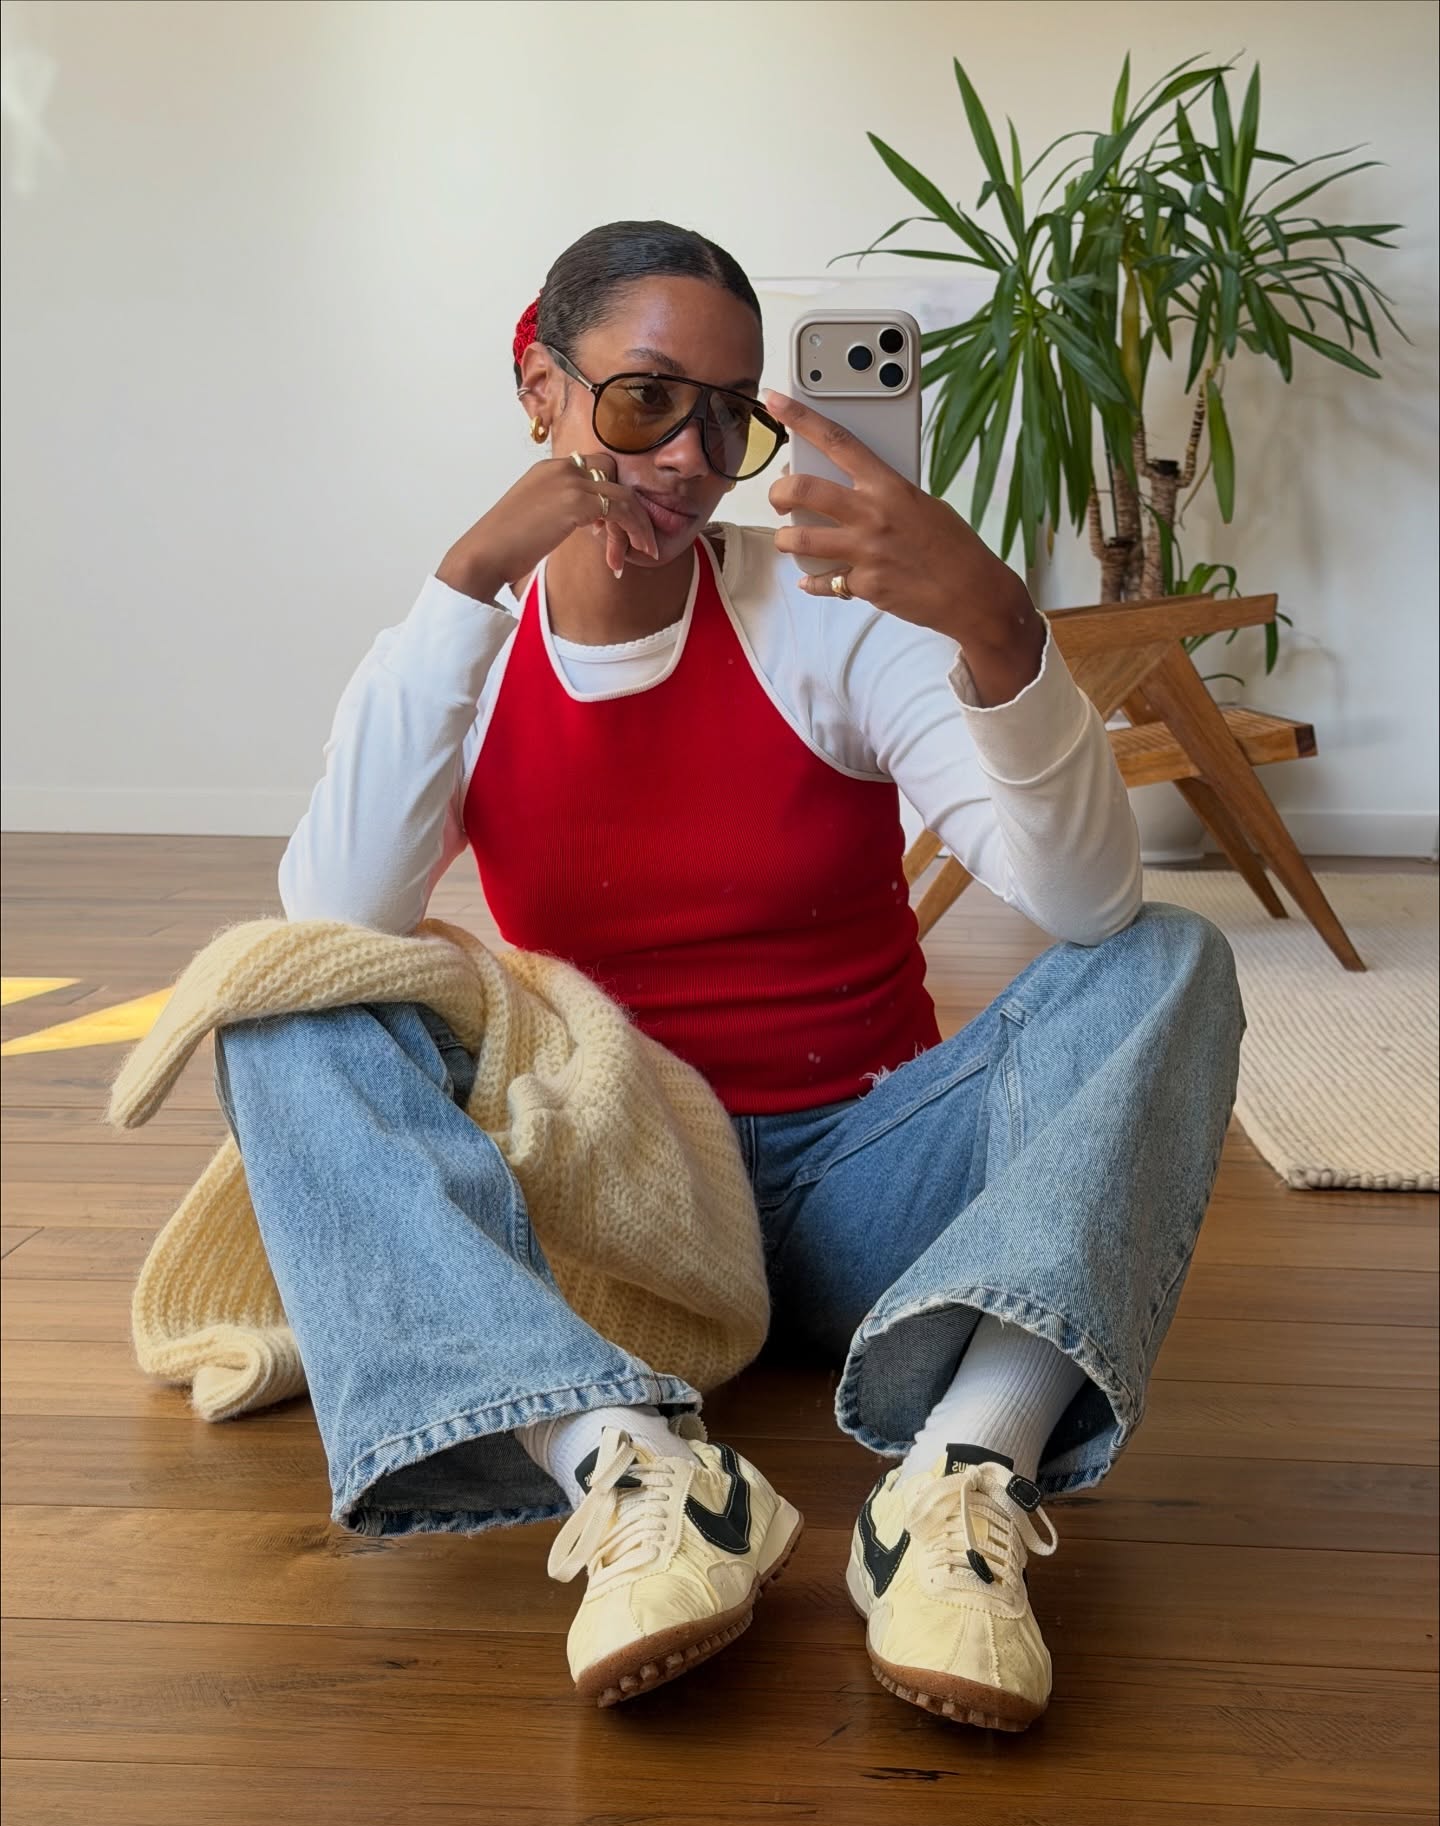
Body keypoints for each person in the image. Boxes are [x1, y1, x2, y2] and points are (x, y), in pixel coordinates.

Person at [216, 219, 1242, 1732]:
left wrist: (990, 621)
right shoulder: (469, 648)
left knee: (1170, 957)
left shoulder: (832, 624)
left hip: (872, 1187)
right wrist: (468, 579)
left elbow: (1084, 903)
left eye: (731, 417)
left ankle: (961, 1472)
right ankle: (631, 1467)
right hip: (620, 1203)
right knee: (274, 1002)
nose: (692, 460)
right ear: (539, 388)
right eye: (645, 400)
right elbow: (339, 912)